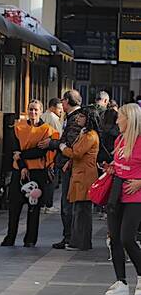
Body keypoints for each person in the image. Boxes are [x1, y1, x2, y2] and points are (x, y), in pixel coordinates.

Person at [1, 100, 56, 247]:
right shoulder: (18, 127)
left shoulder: (47, 129)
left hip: (38, 171)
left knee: (34, 207)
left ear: (41, 111)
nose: (33, 113)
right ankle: (10, 237)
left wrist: (22, 155)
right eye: (31, 110)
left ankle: (30, 239)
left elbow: (41, 150)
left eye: (36, 110)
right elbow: (14, 149)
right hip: (19, 170)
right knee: (14, 205)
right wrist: (22, 165)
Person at [103, 104, 141, 295]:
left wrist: (140, 182)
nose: (117, 121)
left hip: (136, 196)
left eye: (120, 117)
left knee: (127, 237)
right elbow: (119, 164)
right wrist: (110, 167)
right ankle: (121, 282)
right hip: (117, 193)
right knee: (115, 239)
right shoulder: (119, 139)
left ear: (130, 119)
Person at [38, 90, 84, 249]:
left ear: (67, 101)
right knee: (68, 203)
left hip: (69, 164)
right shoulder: (73, 117)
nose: (61, 104)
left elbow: (70, 142)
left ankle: (69, 237)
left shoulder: (77, 118)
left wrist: (53, 144)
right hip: (68, 162)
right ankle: (68, 236)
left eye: (63, 101)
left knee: (68, 203)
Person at [58, 107, 100, 251]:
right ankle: (78, 241)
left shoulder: (90, 136)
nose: (78, 119)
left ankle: (81, 242)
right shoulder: (85, 134)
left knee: (83, 211)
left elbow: (77, 153)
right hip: (81, 174)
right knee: (79, 210)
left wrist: (63, 148)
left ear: (88, 119)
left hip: (85, 176)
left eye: (81, 116)